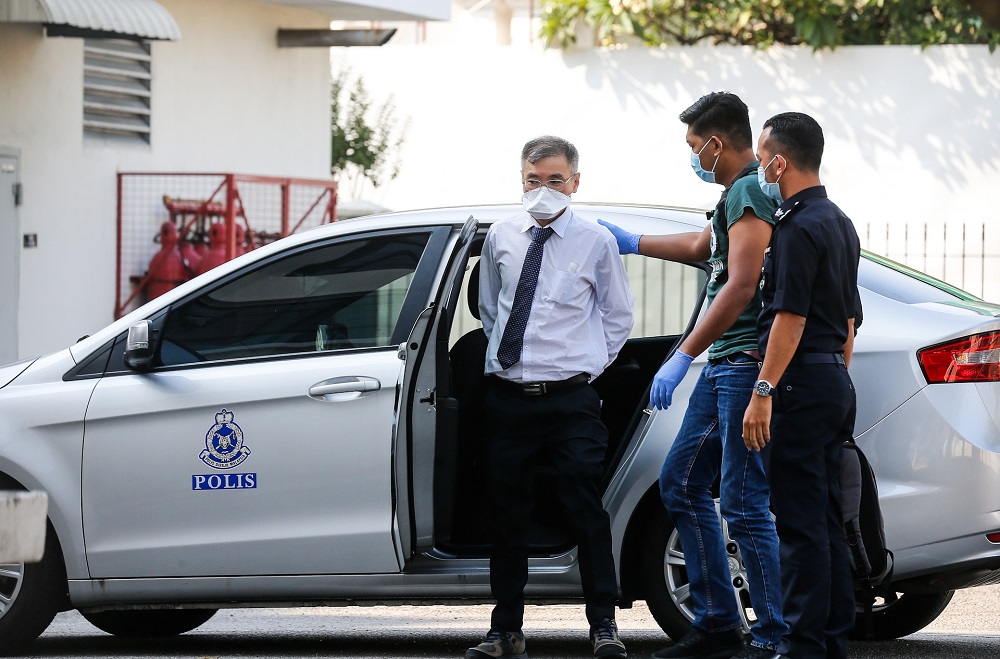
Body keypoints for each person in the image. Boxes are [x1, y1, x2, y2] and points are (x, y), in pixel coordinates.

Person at [600, 91, 786, 659]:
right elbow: (704, 248)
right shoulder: (734, 194)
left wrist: (682, 353)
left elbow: (741, 283)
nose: (692, 157)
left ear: (716, 142)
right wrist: (630, 243)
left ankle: (774, 637)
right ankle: (717, 623)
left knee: (744, 500)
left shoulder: (750, 190)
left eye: (693, 147)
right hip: (723, 365)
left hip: (739, 365)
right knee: (682, 482)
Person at [465, 136, 634, 659]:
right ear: (522, 180)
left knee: (585, 509)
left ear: (575, 183)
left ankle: (603, 624)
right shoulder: (502, 236)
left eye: (555, 180)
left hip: (570, 402)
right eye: (533, 180)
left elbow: (617, 317)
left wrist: (581, 367)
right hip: (509, 398)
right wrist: (513, 360)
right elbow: (493, 309)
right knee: (507, 513)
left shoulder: (595, 241)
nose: (543, 190)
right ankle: (506, 629)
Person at [742, 111, 862, 659]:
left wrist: (764, 392)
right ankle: (830, 640)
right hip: (830, 380)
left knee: (798, 524)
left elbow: (789, 317)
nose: (759, 165)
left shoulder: (795, 226)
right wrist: (832, 379)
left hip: (799, 385)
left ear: (780, 161)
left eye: (763, 155)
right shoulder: (838, 220)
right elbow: (850, 323)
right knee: (826, 521)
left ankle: (802, 644)